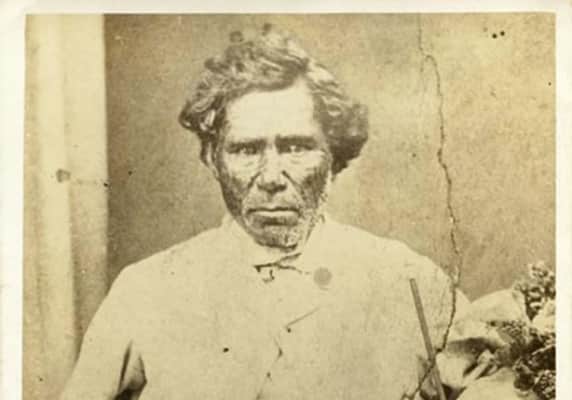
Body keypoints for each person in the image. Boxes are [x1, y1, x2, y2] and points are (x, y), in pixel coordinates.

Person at [61, 24, 468, 400]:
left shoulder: (410, 282)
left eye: (295, 147)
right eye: (246, 150)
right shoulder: (145, 291)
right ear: (212, 158)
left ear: (334, 155)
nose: (271, 177)